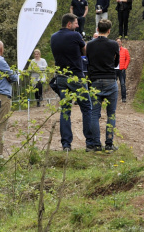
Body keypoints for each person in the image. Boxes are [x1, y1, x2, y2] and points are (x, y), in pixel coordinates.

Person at [50, 13, 95, 152]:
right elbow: (85, 52)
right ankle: (90, 143)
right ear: (69, 24)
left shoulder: (53, 37)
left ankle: (66, 145)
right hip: (76, 77)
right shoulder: (75, 35)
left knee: (65, 111)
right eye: (76, 23)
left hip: (61, 78)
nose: (77, 26)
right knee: (87, 108)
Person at [86, 19, 120, 151]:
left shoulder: (90, 45)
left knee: (94, 114)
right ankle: (109, 143)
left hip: (95, 80)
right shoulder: (113, 44)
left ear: (97, 29)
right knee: (111, 114)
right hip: (110, 80)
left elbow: (88, 60)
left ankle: (96, 143)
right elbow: (116, 62)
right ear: (109, 31)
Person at [115, 38, 130, 103]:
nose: (118, 43)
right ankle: (113, 97)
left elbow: (128, 59)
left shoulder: (125, 50)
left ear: (121, 42)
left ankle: (124, 98)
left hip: (121, 69)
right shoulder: (112, 50)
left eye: (119, 41)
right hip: (114, 69)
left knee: (123, 84)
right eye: (117, 41)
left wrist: (125, 67)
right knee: (113, 84)